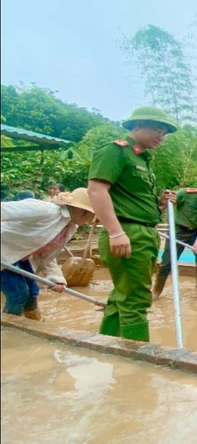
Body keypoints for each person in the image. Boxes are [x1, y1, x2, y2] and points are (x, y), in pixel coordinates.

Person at [87, 106, 177, 342]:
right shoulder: (115, 151)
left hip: (142, 231)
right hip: (127, 232)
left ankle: (107, 349)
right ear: (137, 125)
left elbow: (130, 200)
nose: (162, 136)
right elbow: (96, 190)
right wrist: (116, 232)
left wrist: (160, 204)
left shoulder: (143, 159)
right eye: (157, 129)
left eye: (165, 132)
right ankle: (138, 366)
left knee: (122, 296)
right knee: (136, 299)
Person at [1, 188, 95, 320]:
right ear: (81, 210)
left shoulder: (69, 226)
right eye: (91, 214)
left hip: (19, 256)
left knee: (33, 291)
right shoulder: (45, 209)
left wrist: (56, 278)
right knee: (18, 294)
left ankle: (34, 325)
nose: (92, 218)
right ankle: (10, 331)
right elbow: (4, 210)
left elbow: (46, 255)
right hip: (4, 253)